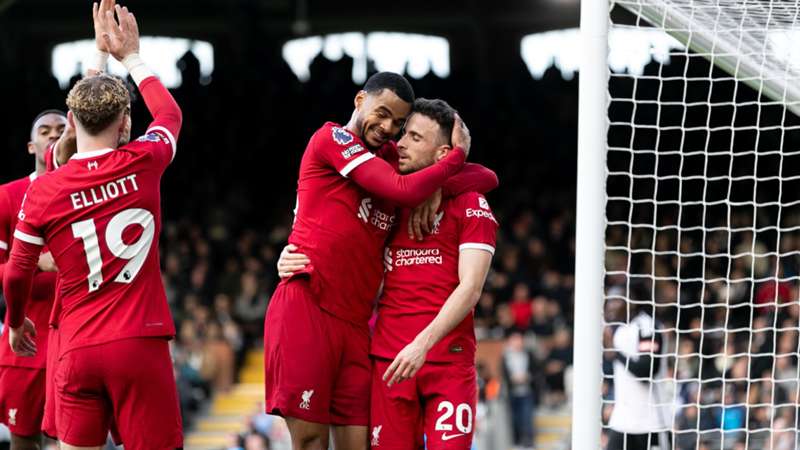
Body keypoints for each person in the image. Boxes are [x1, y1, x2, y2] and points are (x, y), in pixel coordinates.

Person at [264, 72, 497, 450]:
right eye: (383, 114)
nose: (390, 129)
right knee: (310, 441)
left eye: (400, 124)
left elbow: (485, 177)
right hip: (310, 305)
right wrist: (454, 158)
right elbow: (403, 189)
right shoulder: (332, 139)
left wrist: (438, 184)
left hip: (357, 327)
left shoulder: (390, 159)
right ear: (359, 101)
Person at [3, 4, 183, 449]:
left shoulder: (45, 191)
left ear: (72, 123)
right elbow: (170, 117)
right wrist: (132, 57)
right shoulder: (145, 161)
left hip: (76, 348)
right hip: (139, 343)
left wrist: (15, 321)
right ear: (125, 124)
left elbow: (16, 271)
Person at [0, 109, 66, 450]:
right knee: (24, 441)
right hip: (27, 337)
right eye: (45, 131)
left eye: (61, 129)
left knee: (82, 440)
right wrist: (32, 263)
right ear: (31, 146)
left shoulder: (93, 191)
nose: (53, 135)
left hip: (76, 335)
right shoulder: (7, 196)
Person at [605, 287, 672, 450]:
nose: (611, 306)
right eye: (609, 301)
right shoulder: (618, 331)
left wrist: (615, 353)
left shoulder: (647, 327)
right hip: (622, 421)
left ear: (631, 301)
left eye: (616, 300)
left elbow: (646, 371)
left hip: (650, 422)